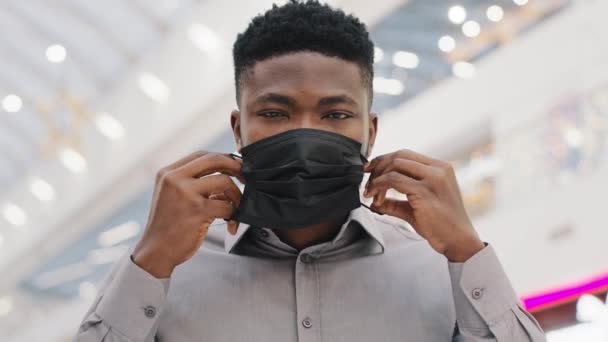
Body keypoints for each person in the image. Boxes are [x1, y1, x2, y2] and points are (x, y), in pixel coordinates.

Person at [75, 1, 546, 341]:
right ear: (238, 129)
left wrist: (466, 252)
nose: (305, 134)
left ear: (370, 132)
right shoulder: (167, 272)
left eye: (336, 115)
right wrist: (150, 260)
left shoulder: (437, 266)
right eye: (275, 113)